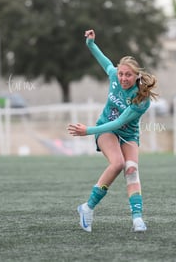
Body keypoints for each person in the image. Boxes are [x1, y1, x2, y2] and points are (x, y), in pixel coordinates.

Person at [67, 29, 158, 233]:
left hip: (127, 134)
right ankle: (87, 208)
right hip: (105, 128)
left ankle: (137, 220)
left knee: (132, 170)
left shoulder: (140, 100)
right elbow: (103, 60)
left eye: (128, 75)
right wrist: (90, 43)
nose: (123, 78)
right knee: (118, 163)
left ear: (136, 77)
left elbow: (121, 123)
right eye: (121, 73)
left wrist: (86, 130)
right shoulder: (114, 76)